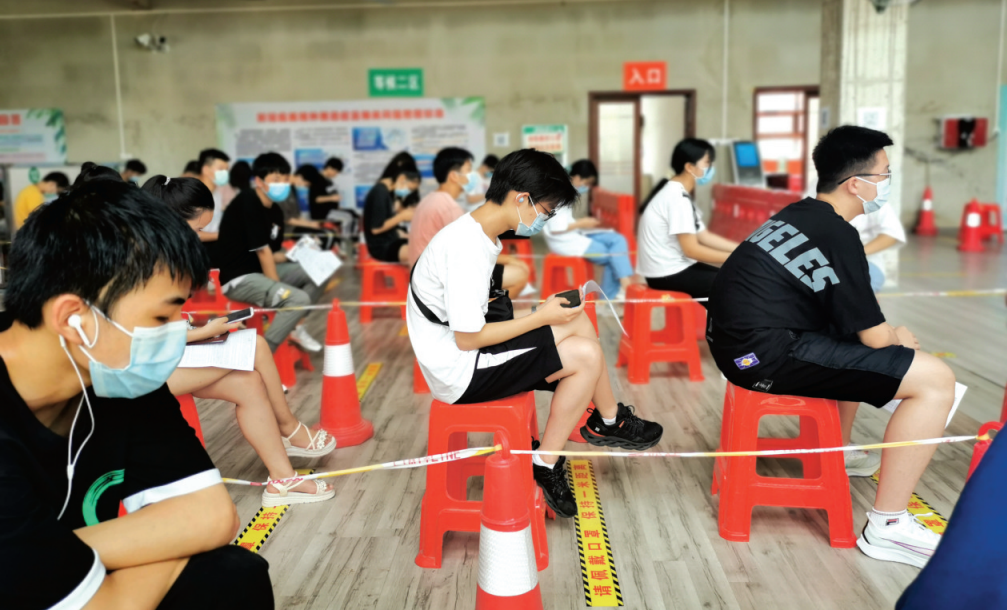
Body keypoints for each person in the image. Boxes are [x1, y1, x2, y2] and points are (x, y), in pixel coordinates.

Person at [0, 179, 274, 609]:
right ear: (73, 319)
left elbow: (211, 516)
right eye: (162, 317)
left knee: (232, 575)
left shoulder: (117, 373)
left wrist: (47, 553)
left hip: (48, 572)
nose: (176, 332)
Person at [707, 125, 956, 568]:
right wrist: (898, 338)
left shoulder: (799, 214)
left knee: (855, 344)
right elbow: (875, 336)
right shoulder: (838, 235)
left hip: (739, 345)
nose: (888, 182)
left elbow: (851, 322)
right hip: (765, 355)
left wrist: (887, 338)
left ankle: (834, 452)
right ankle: (889, 526)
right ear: (855, 184)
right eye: (884, 174)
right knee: (935, 380)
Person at [407, 149, 663, 519]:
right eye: (546, 211)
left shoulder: (479, 233)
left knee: (578, 328)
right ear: (521, 198)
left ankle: (598, 426)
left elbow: (475, 319)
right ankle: (569, 446)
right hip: (460, 370)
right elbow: (468, 338)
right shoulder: (466, 247)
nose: (544, 220)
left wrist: (542, 316)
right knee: (585, 354)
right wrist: (540, 316)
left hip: (465, 352)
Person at [142, 174, 336, 505]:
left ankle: (282, 478)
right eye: (197, 229)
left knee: (249, 382)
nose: (199, 237)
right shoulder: (149, 262)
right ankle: (289, 429)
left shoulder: (159, 255)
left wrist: (197, 329)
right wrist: (203, 332)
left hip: (164, 356)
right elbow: (143, 335)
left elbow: (159, 324)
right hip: (147, 369)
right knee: (254, 347)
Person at [215, 152, 326, 353]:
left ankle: (295, 326)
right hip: (240, 279)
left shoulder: (275, 211)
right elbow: (263, 252)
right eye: (276, 180)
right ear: (259, 181)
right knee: (298, 299)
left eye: (285, 179)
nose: (282, 184)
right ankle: (261, 356)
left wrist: (298, 254)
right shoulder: (248, 201)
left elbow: (272, 254)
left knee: (320, 271)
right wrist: (280, 287)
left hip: (263, 271)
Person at [408, 147, 529, 297]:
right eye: (468, 170)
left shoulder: (430, 199)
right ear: (454, 176)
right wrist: (509, 259)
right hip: (440, 279)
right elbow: (472, 252)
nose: (472, 175)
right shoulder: (448, 207)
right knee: (520, 274)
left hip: (423, 272)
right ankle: (483, 311)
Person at [637, 138, 737, 306]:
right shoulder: (677, 199)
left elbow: (704, 236)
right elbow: (691, 250)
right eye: (707, 162)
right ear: (690, 167)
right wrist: (736, 258)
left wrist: (742, 249)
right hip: (667, 274)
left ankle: (723, 321)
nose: (710, 168)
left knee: (729, 277)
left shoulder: (677, 193)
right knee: (735, 283)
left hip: (666, 270)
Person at [363, 167, 421, 263]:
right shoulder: (379, 193)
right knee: (422, 254)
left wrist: (400, 233)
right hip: (383, 247)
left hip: (391, 241)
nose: (408, 192)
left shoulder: (386, 193)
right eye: (410, 189)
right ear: (402, 178)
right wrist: (402, 216)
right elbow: (376, 229)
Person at [849, 202, 906, 291]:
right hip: (828, 260)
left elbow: (891, 235)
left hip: (866, 259)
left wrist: (856, 254)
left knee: (860, 288)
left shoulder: (874, 201)